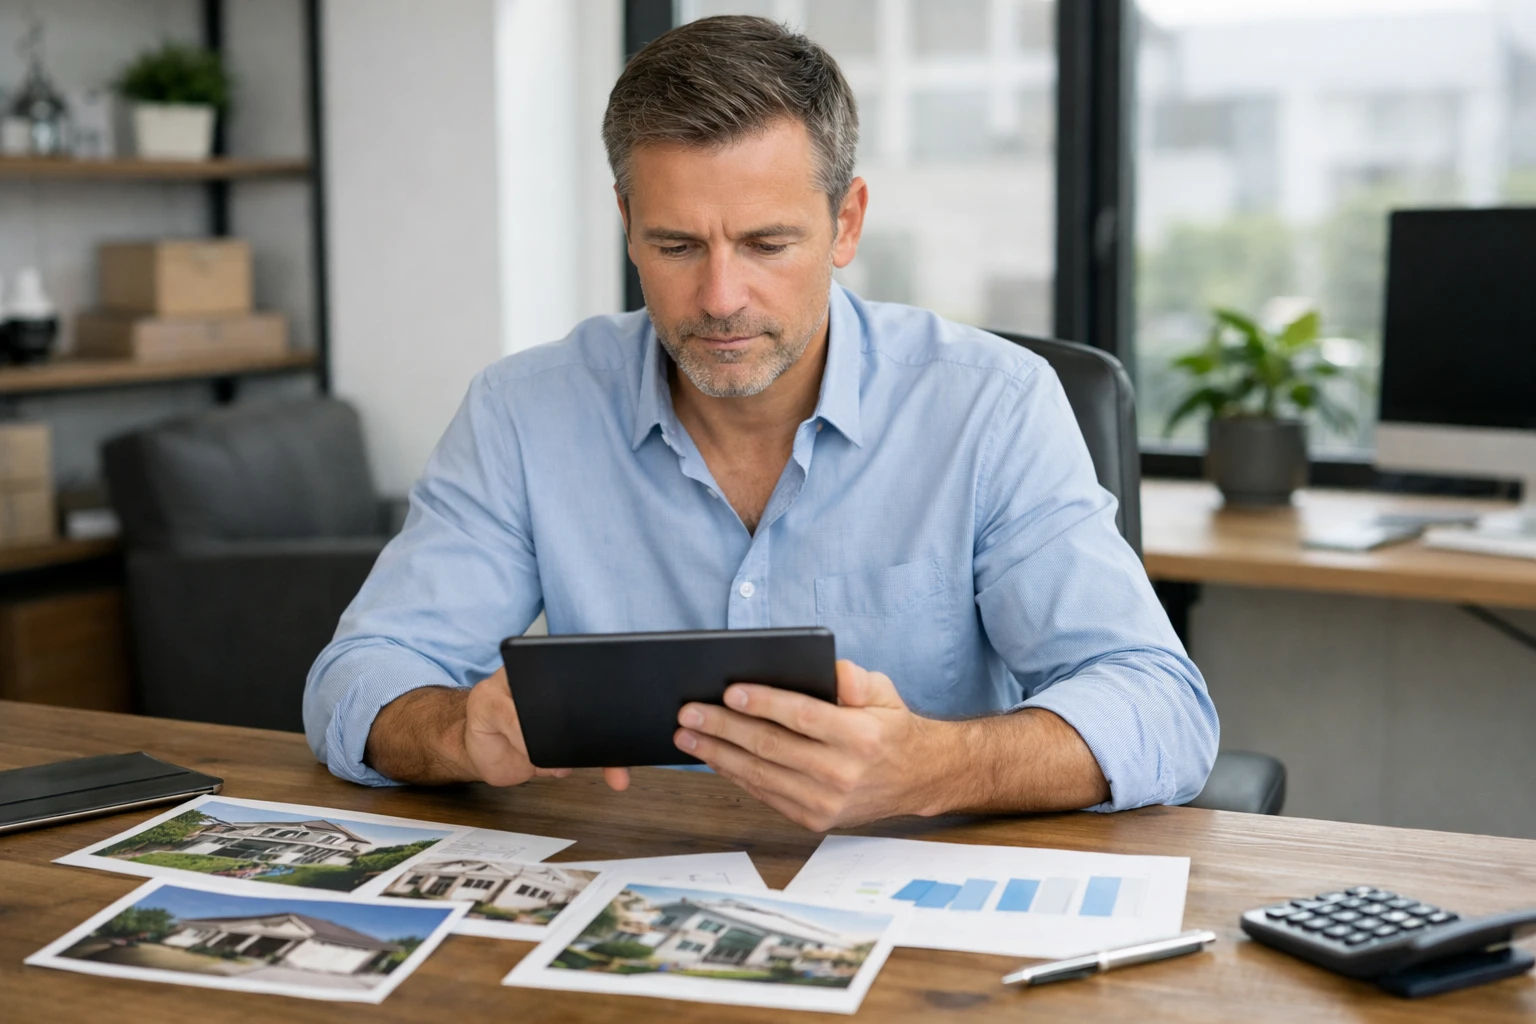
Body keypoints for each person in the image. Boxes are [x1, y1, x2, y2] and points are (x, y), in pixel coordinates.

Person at [304, 15, 1218, 831]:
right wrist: (459, 733)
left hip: (923, 922)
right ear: (627, 225)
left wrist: (930, 766)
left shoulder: (992, 404)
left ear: (846, 223)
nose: (720, 298)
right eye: (675, 246)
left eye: (767, 244)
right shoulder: (522, 410)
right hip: (629, 896)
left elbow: (1162, 708)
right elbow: (360, 677)